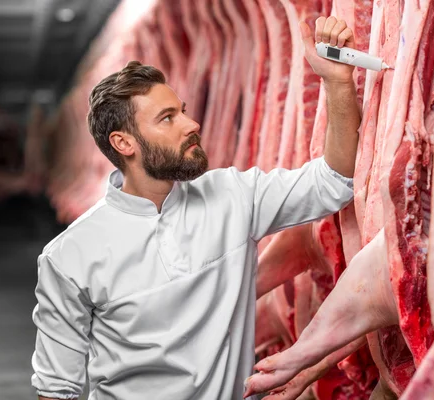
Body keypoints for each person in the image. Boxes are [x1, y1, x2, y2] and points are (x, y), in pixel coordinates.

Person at [31, 16, 360, 400]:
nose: (192, 123)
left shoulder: (232, 195)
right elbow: (57, 390)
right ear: (124, 143)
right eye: (168, 118)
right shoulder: (70, 255)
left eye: (182, 110)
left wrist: (337, 82)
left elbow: (334, 181)